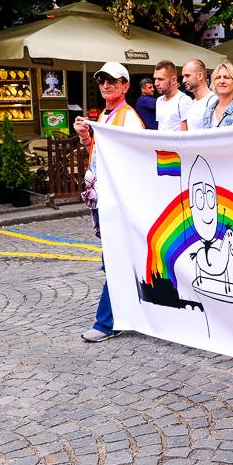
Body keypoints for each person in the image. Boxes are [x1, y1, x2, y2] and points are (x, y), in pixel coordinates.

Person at [74, 62, 146, 343]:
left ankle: (106, 322)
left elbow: (132, 161)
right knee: (119, 261)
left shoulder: (128, 119)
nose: (106, 85)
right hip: (104, 198)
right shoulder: (106, 115)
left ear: (125, 86)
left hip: (117, 201)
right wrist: (85, 137)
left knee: (115, 261)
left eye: (113, 81)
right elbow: (98, 154)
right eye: (102, 81)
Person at [152, 60, 191, 131]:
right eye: (155, 79)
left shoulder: (183, 100)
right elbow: (161, 127)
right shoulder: (159, 100)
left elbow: (186, 135)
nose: (156, 83)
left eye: (160, 79)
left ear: (173, 80)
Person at [182, 59, 212, 132]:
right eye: (183, 76)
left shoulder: (214, 102)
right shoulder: (192, 103)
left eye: (187, 76)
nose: (183, 80)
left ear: (200, 76)